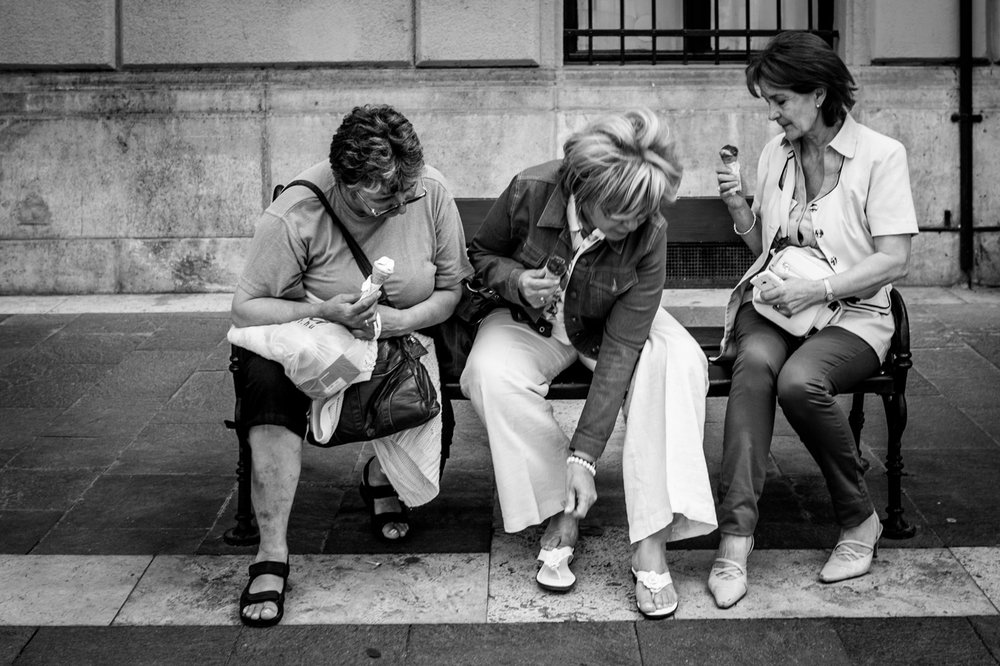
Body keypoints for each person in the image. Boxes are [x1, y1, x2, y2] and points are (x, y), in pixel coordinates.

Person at [461, 108, 717, 619]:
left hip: (608, 324)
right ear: (588, 190)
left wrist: (585, 455)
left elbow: (623, 348)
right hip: (529, 322)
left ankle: (651, 537)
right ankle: (564, 507)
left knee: (679, 359)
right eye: (622, 217)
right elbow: (482, 255)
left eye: (642, 215)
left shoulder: (649, 228)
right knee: (489, 372)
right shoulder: (531, 189)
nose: (633, 227)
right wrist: (516, 281)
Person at [231, 104, 472, 627]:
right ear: (346, 182)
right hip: (314, 337)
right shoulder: (297, 211)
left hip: (403, 328)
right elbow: (246, 307)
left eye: (407, 189)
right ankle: (271, 552)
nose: (403, 204)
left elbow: (454, 288)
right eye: (388, 197)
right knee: (265, 382)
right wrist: (322, 310)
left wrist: (402, 319)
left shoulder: (428, 190)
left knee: (425, 398)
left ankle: (379, 477)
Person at [710, 31, 918, 608]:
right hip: (778, 306)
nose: (773, 115)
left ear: (819, 93)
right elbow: (767, 246)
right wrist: (738, 208)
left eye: (780, 101)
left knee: (801, 383)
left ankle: (859, 521)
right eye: (768, 103)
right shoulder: (777, 152)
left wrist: (818, 288)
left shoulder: (881, 155)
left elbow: (894, 258)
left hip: (854, 314)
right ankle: (735, 538)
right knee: (753, 368)